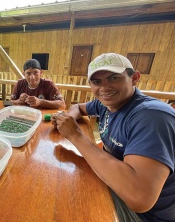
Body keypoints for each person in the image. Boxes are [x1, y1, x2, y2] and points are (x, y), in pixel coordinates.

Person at [52, 53, 175, 221]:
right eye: (97, 82)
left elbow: (139, 198)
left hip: (145, 216)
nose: (105, 87)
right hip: (116, 184)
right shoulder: (106, 104)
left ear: (135, 78)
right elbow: (78, 107)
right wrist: (68, 120)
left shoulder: (151, 116)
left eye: (114, 78)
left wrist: (75, 135)